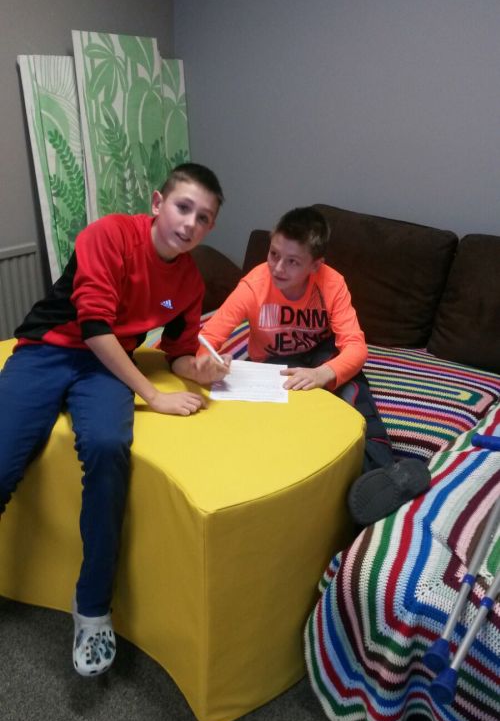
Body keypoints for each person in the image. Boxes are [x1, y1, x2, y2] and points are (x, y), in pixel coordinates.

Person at [0, 162, 230, 677]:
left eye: (204, 218)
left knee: (108, 449)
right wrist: (153, 395)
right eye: (183, 207)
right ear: (157, 203)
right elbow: (95, 327)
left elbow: (178, 350)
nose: (190, 223)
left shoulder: (188, 282)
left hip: (105, 369)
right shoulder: (108, 235)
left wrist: (200, 370)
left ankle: (93, 608)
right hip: (48, 350)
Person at [198, 205, 430, 527]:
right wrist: (210, 360)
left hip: (321, 356)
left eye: (292, 261)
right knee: (253, 419)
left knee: (354, 395)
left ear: (315, 265)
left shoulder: (331, 283)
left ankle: (387, 475)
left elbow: (355, 347)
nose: (278, 267)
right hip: (273, 363)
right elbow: (207, 338)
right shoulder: (254, 285)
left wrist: (324, 374)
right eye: (273, 254)